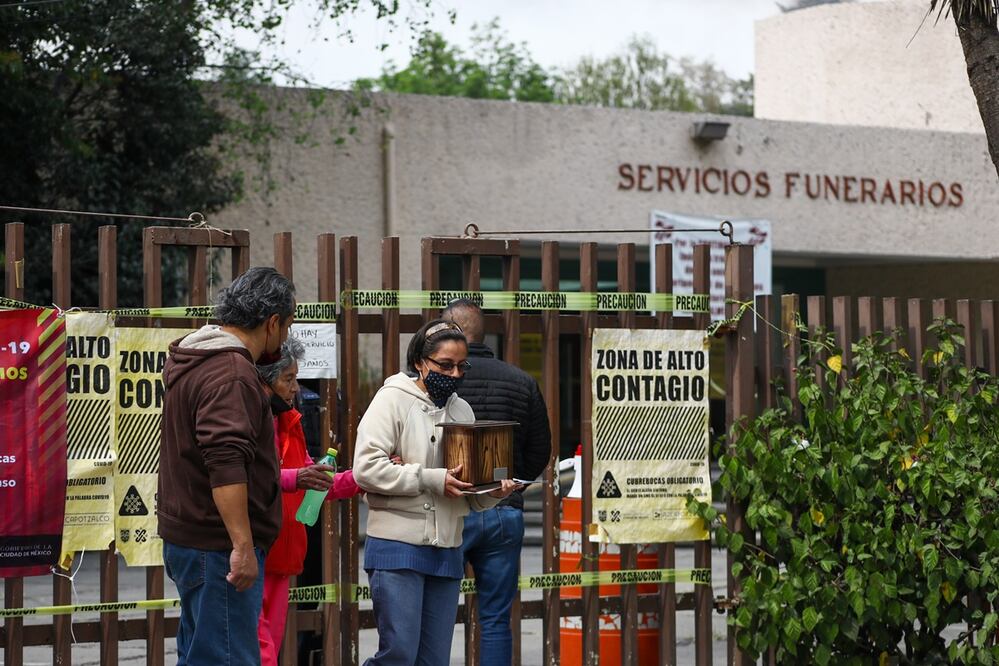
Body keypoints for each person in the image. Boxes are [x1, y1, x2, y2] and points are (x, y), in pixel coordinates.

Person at [353, 319, 517, 666]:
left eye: (461, 366)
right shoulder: (392, 399)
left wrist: (494, 492)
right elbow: (366, 469)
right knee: (398, 654)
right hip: (398, 545)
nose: (454, 374)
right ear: (419, 361)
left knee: (434, 660)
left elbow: (469, 490)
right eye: (445, 365)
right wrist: (430, 478)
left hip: (447, 548)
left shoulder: (462, 410)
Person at [158, 266, 295, 666]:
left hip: (195, 541)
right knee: (227, 657)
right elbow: (226, 464)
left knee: (201, 653)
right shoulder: (231, 372)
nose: (285, 336)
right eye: (287, 326)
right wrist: (242, 546)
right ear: (272, 323)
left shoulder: (199, 359)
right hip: (216, 547)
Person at [442, 298, 552, 666]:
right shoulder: (520, 380)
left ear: (451, 332)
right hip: (504, 509)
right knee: (495, 620)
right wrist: (514, 483)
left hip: (451, 510)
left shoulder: (436, 381)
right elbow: (540, 449)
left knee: (437, 614)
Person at [256, 337, 363, 666]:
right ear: (265, 380)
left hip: (282, 556)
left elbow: (314, 481)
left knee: (270, 649)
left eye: (296, 379)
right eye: (288, 379)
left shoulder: (289, 422)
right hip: (254, 552)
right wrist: (296, 477)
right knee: (258, 652)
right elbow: (245, 477)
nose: (296, 388)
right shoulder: (249, 420)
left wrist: (364, 477)